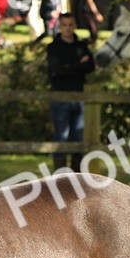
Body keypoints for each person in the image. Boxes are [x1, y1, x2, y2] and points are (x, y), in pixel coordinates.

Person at [47, 13, 95, 172]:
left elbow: (91, 66)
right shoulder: (54, 47)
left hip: (79, 97)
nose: (68, 28)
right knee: (61, 137)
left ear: (75, 26)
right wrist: (77, 65)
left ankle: (76, 178)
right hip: (60, 97)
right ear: (60, 26)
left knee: (78, 139)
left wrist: (69, 67)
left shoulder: (80, 46)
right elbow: (57, 71)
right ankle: (59, 178)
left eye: (71, 25)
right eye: (65, 25)